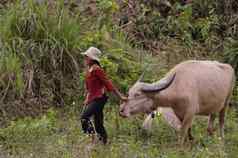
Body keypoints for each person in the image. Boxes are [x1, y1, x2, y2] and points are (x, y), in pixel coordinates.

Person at [81, 47, 127, 144]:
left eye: (86, 57)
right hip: (93, 99)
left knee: (84, 117)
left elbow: (108, 84)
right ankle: (104, 143)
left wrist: (120, 97)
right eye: (85, 57)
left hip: (99, 98)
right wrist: (86, 100)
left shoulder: (97, 69)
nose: (85, 59)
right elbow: (89, 89)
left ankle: (92, 141)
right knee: (98, 124)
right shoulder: (89, 70)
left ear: (92, 58)